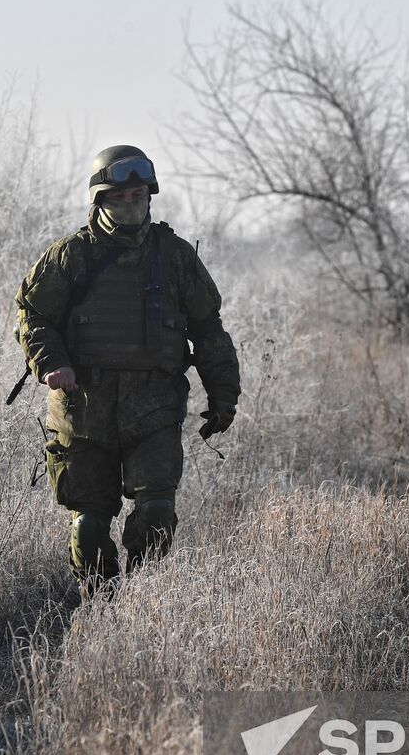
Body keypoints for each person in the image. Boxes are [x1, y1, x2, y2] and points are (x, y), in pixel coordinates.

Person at [14, 145, 241, 582]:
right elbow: (31, 315)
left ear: (150, 197)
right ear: (100, 200)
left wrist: (223, 396)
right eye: (120, 198)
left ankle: (142, 601)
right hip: (83, 411)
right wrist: (51, 363)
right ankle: (98, 608)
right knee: (90, 523)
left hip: (153, 409)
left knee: (157, 512)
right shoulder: (71, 256)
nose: (131, 205)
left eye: (139, 196)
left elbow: (209, 331)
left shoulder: (174, 258)